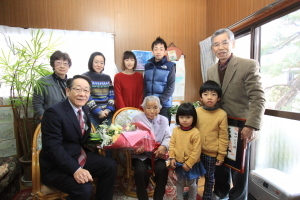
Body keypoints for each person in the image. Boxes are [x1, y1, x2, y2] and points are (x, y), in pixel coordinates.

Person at [207, 28, 265, 200]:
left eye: (225, 42)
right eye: (216, 44)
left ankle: (238, 197)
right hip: (220, 125)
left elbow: (258, 98)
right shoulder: (211, 71)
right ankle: (221, 192)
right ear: (212, 49)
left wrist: (252, 125)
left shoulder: (248, 65)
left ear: (233, 43)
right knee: (221, 161)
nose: (221, 47)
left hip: (242, 126)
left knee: (240, 167)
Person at [39, 75, 117, 200]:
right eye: (78, 89)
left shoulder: (84, 109)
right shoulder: (54, 113)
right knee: (84, 189)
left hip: (77, 156)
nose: (82, 94)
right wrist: (76, 170)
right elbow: (53, 149)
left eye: (86, 90)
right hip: (57, 165)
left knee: (110, 165)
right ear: (68, 91)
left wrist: (110, 137)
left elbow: (83, 138)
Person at [132, 95, 171, 200]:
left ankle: (158, 197)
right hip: (141, 155)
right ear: (143, 108)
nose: (152, 111)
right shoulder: (137, 119)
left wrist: (164, 146)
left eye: (155, 107)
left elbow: (168, 136)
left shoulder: (164, 120)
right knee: (140, 171)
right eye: (148, 108)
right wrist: (137, 147)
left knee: (162, 170)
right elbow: (131, 137)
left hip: (158, 154)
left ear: (160, 108)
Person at [195, 80, 228, 200]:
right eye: (206, 94)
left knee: (209, 177)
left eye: (213, 94)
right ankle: (193, 195)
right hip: (196, 152)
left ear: (218, 98)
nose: (209, 97)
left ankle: (207, 197)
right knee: (194, 176)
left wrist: (221, 155)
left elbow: (224, 137)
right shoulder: (197, 112)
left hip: (211, 153)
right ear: (201, 97)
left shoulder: (221, 114)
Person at [169, 102, 205, 200]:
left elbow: (196, 151)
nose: (184, 120)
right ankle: (180, 198)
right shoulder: (176, 130)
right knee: (180, 183)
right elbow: (172, 145)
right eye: (181, 117)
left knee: (192, 184)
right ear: (178, 118)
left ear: (193, 118)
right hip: (179, 163)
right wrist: (172, 157)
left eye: (188, 117)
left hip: (192, 165)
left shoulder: (195, 133)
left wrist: (189, 164)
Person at [144, 36, 176, 123]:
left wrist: (159, 102)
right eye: (156, 49)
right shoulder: (147, 66)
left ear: (165, 51)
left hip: (164, 106)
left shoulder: (170, 66)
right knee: (149, 132)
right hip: (149, 106)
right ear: (152, 52)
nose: (158, 51)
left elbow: (171, 87)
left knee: (163, 132)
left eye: (161, 49)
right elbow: (145, 85)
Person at [32, 50, 71, 120]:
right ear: (53, 65)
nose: (62, 66)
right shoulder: (43, 82)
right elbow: (37, 104)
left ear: (69, 66)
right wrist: (45, 119)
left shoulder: (72, 83)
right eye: (58, 63)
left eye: (65, 63)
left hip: (68, 120)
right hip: (50, 120)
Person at [83, 52, 115, 127]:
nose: (99, 65)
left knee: (109, 136)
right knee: (94, 137)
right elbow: (87, 96)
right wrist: (98, 111)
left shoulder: (107, 77)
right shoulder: (85, 77)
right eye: (96, 62)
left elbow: (111, 95)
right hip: (91, 114)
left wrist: (108, 110)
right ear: (91, 62)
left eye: (101, 63)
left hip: (107, 113)